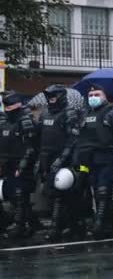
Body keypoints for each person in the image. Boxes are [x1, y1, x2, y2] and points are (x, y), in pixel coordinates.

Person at [75, 85, 113, 239]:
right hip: (90, 160)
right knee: (96, 193)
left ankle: (100, 224)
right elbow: (80, 139)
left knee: (104, 192)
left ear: (105, 97)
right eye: (90, 94)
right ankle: (109, 224)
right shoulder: (86, 114)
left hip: (107, 158)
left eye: (97, 94)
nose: (92, 97)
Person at [39, 85, 82, 241]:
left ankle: (56, 228)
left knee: (59, 194)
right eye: (48, 95)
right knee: (51, 194)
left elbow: (73, 139)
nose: (50, 97)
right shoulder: (44, 114)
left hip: (63, 160)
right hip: (46, 160)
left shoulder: (69, 113)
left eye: (54, 95)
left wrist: (62, 159)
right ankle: (73, 225)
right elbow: (40, 139)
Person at [0, 91, 38, 238]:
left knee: (20, 195)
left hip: (21, 164)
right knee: (12, 195)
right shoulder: (6, 122)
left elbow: (31, 146)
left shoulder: (25, 121)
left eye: (9, 106)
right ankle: (31, 223)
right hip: (7, 164)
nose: (7, 110)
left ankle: (20, 225)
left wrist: (22, 165)